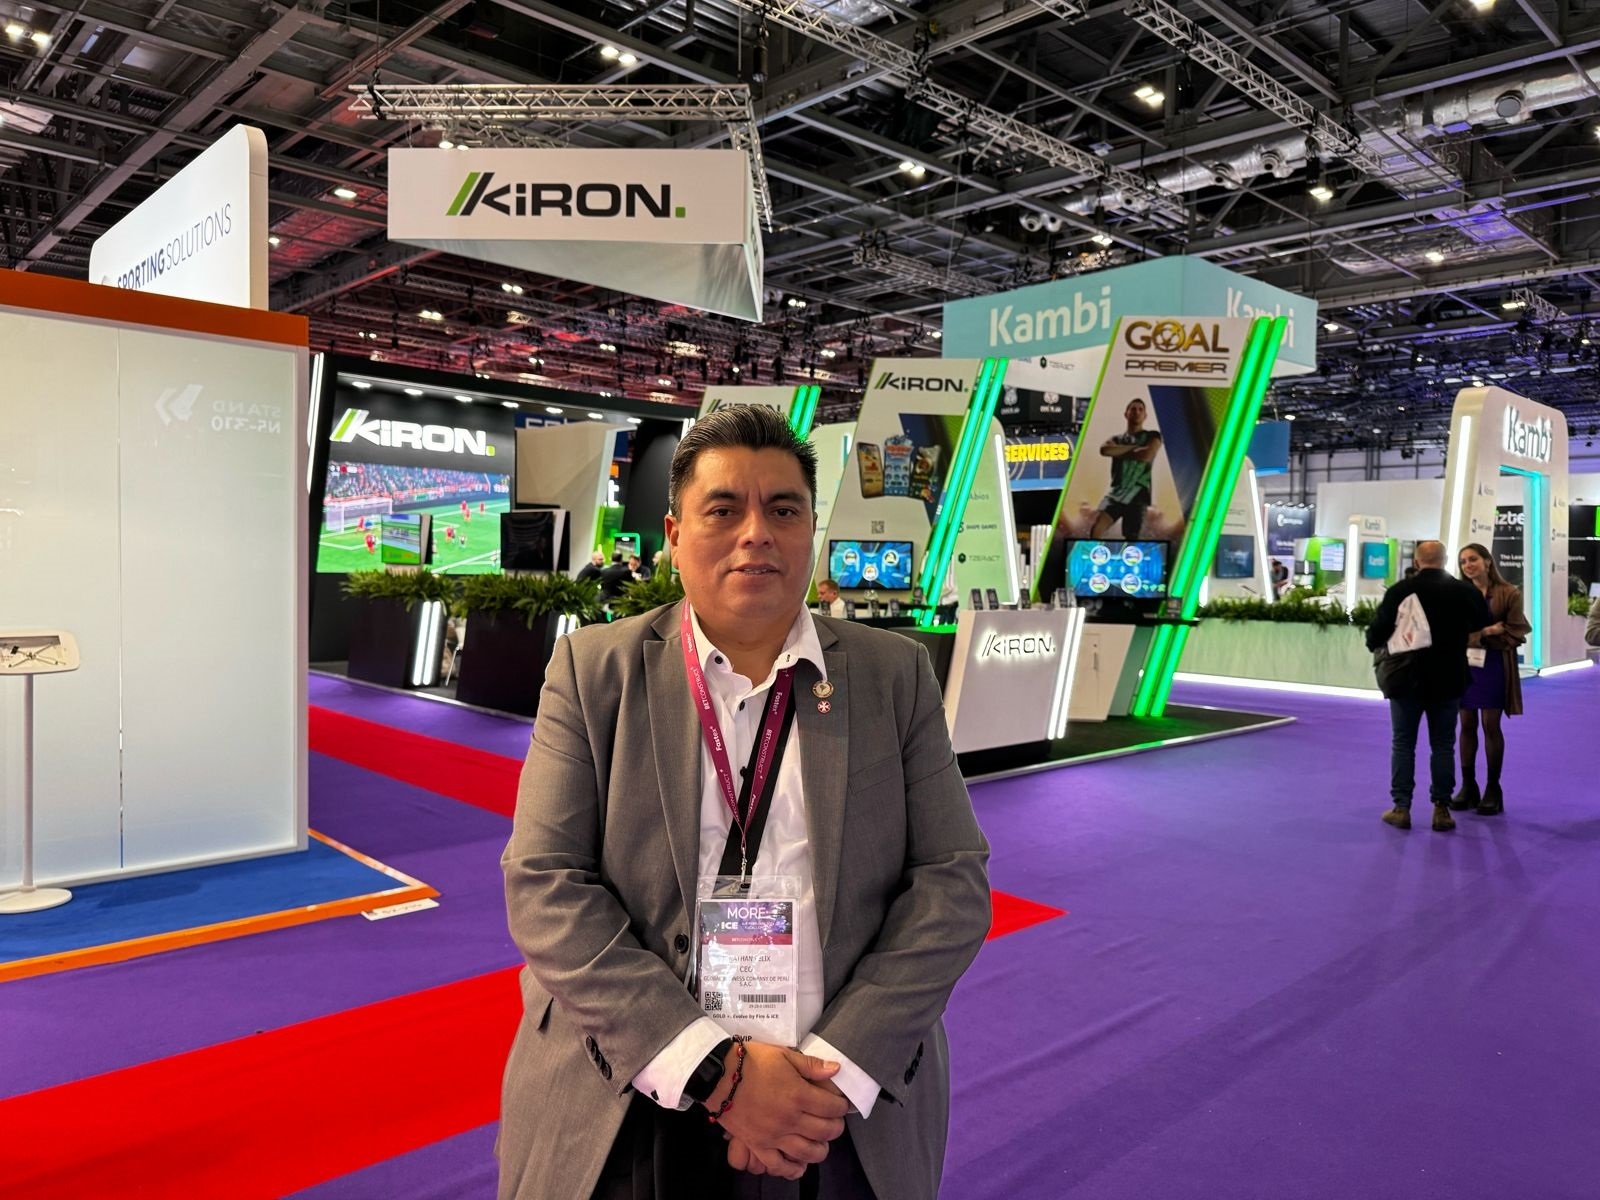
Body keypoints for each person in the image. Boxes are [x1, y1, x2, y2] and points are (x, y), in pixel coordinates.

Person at [498, 405, 991, 1200]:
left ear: (810, 532)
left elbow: (952, 881)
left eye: (783, 510)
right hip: (630, 1090)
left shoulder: (894, 676)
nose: (756, 533)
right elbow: (545, 884)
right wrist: (716, 1074)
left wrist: (836, 1069)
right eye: (723, 509)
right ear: (674, 534)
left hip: (834, 1108)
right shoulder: (593, 672)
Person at [1365, 540, 1491, 832]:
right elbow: (1481, 621)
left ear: (1417, 561)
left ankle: (1401, 808)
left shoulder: (1401, 590)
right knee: (1443, 745)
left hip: (1406, 678)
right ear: (1445, 560)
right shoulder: (1464, 591)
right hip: (1449, 677)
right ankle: (1441, 809)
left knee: (1403, 743)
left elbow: (1378, 630)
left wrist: (1377, 645)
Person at [1452, 544, 1530, 816]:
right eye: (1463, 561)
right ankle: (1468, 786)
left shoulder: (1510, 593)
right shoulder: (1458, 594)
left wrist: (1479, 638)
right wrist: (1486, 633)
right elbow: (1453, 633)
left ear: (1487, 561)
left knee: (1490, 725)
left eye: (1473, 559)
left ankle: (1493, 788)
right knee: (1466, 724)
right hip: (1464, 665)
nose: (1468, 565)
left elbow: (1516, 632)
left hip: (1495, 665)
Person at [1091, 398, 1162, 539]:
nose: (1137, 412)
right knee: (1097, 527)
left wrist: (1119, 452)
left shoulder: (1152, 435)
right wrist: (1136, 448)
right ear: (1126, 414)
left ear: (1145, 415)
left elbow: (1147, 454)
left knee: (1132, 536)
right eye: (1133, 409)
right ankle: (1093, 552)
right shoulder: (1117, 438)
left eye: (1141, 409)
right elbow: (1105, 450)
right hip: (1116, 492)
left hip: (1138, 494)